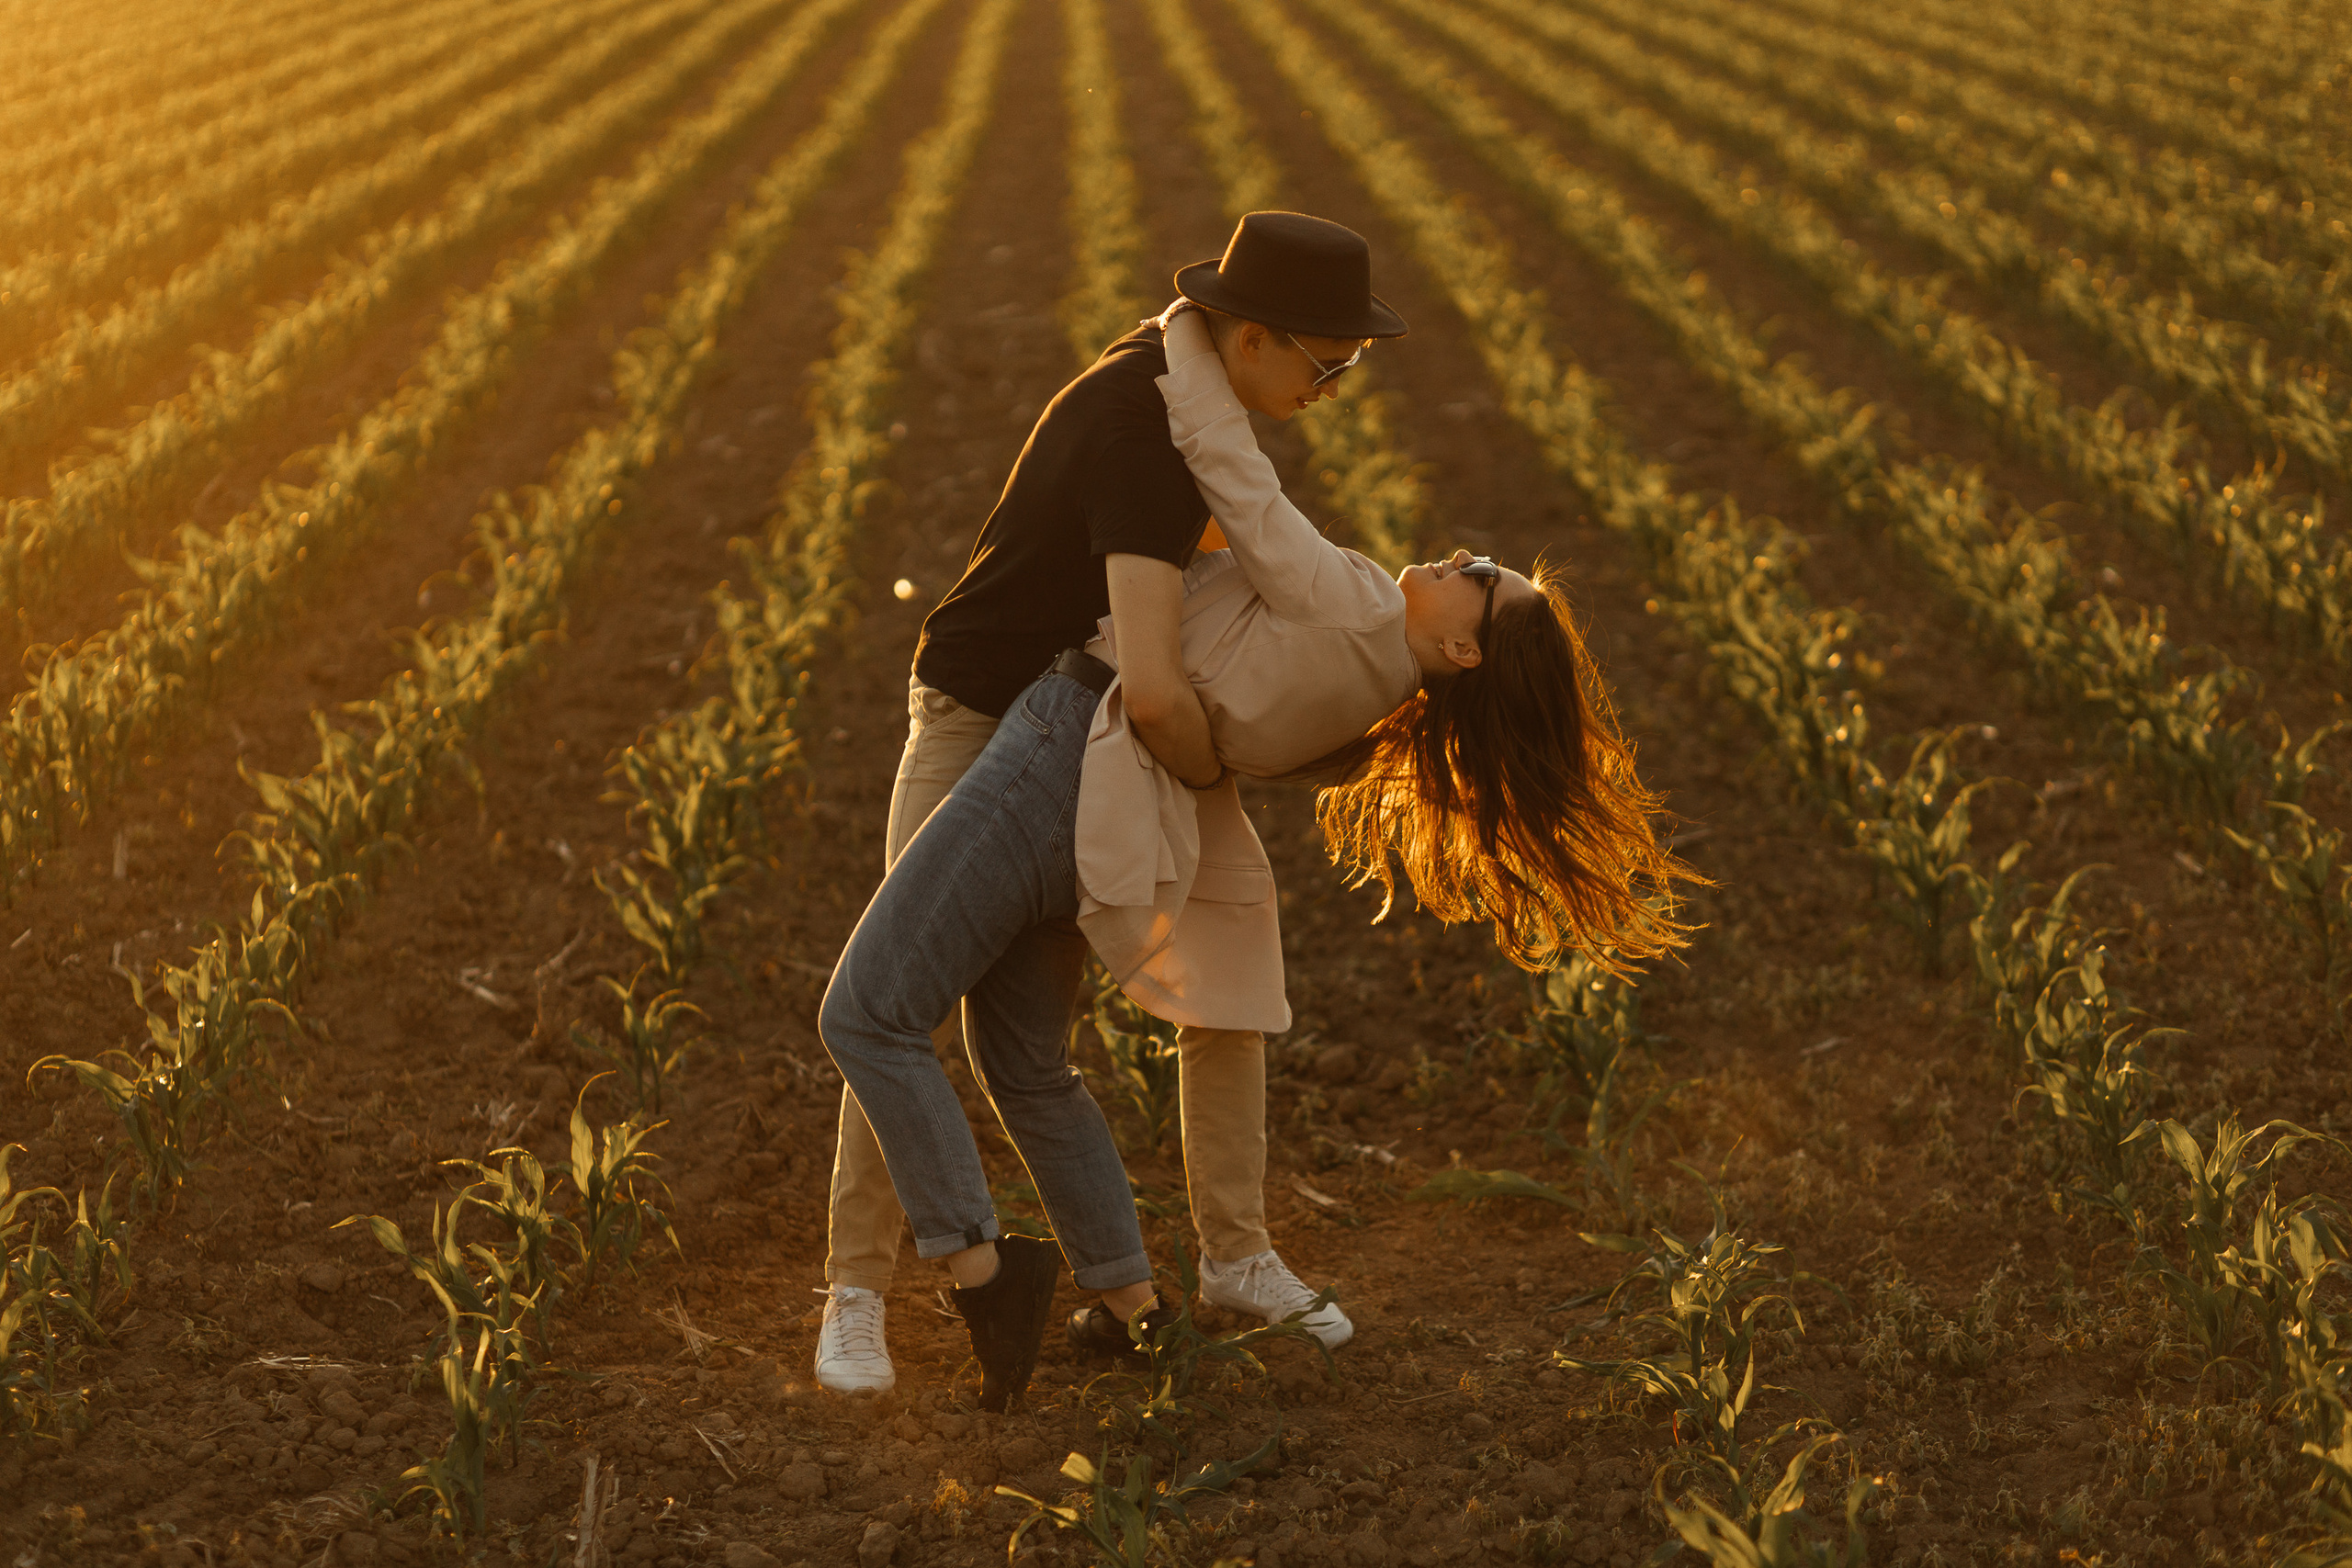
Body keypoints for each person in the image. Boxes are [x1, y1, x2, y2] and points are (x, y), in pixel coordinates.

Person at [816, 304, 1694, 1411]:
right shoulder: (1370, 692)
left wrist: (1183, 330)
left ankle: (967, 1273)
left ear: (1462, 644)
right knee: (1027, 1063)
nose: (1464, 551)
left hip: (1057, 739)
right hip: (1097, 797)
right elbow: (1227, 578)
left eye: (1483, 573)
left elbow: (1239, 492)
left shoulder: (1357, 606)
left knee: (876, 1011)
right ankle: (1134, 1309)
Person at [810, 212, 1408, 1397]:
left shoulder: (1189, 398)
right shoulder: (1151, 435)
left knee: (1022, 1045)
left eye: (1351, 369)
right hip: (988, 713)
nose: (1333, 389)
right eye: (1325, 365)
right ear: (1247, 338)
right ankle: (858, 1294)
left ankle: (1128, 1296)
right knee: (902, 1012)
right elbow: (1148, 676)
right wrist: (1206, 774)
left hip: (1064, 734)